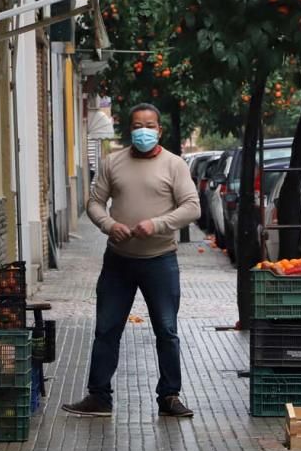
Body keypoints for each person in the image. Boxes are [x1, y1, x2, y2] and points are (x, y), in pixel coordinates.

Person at [62, 103, 200, 418]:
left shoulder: (174, 165)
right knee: (107, 328)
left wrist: (157, 224)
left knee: (166, 330)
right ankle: (98, 396)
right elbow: (95, 203)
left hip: (160, 260)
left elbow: (192, 207)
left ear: (159, 129)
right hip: (118, 261)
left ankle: (169, 397)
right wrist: (109, 226)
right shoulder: (113, 163)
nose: (144, 131)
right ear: (129, 129)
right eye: (138, 125)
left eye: (149, 125)